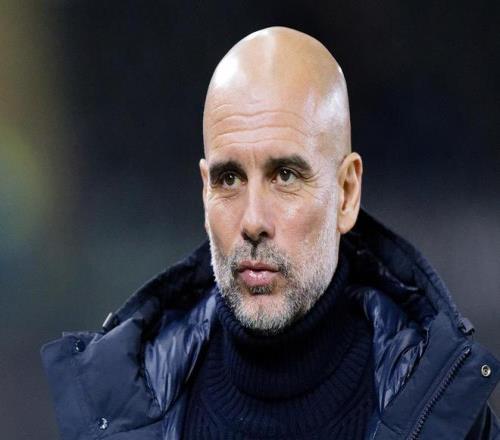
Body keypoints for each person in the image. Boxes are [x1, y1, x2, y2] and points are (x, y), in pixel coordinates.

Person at [41, 27, 499, 440]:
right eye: (229, 179)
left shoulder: (444, 413)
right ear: (204, 193)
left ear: (346, 193)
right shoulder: (117, 410)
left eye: (285, 175)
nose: (253, 221)